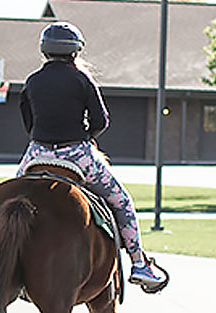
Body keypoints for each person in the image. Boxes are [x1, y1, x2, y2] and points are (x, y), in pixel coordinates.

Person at [16, 22, 164, 290]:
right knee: (121, 201)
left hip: (36, 153)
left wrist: (44, 138)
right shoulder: (82, 79)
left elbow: (28, 122)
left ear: (44, 50)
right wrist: (84, 134)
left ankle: (3, 258)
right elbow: (101, 120)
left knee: (11, 198)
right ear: (76, 51)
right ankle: (139, 263)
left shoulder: (32, 81)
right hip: (77, 155)